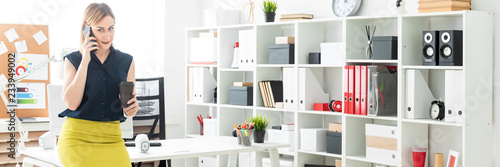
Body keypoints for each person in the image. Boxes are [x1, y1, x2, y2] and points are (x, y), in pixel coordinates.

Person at [57, 3, 138, 166]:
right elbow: (72, 104)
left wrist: (132, 109)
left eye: (111, 28)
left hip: (112, 138)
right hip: (77, 140)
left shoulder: (126, 61)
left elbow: (128, 107)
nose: (107, 35)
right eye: (100, 29)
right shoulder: (73, 60)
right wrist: (85, 60)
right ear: (87, 30)